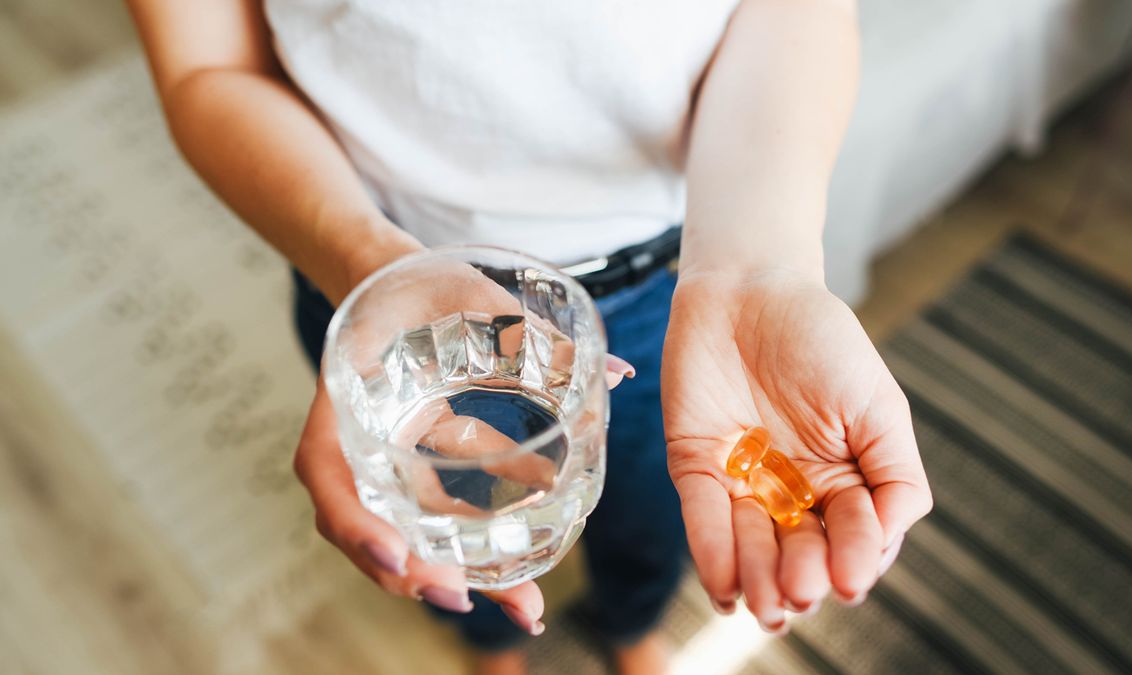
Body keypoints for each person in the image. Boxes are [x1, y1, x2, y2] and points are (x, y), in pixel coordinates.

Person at [127, 1, 932, 673]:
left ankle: (630, 627)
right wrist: (366, 263)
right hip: (388, 293)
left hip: (678, 285)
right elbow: (210, 67)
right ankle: (494, 644)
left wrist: (760, 267)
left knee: (658, 514)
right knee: (455, 525)